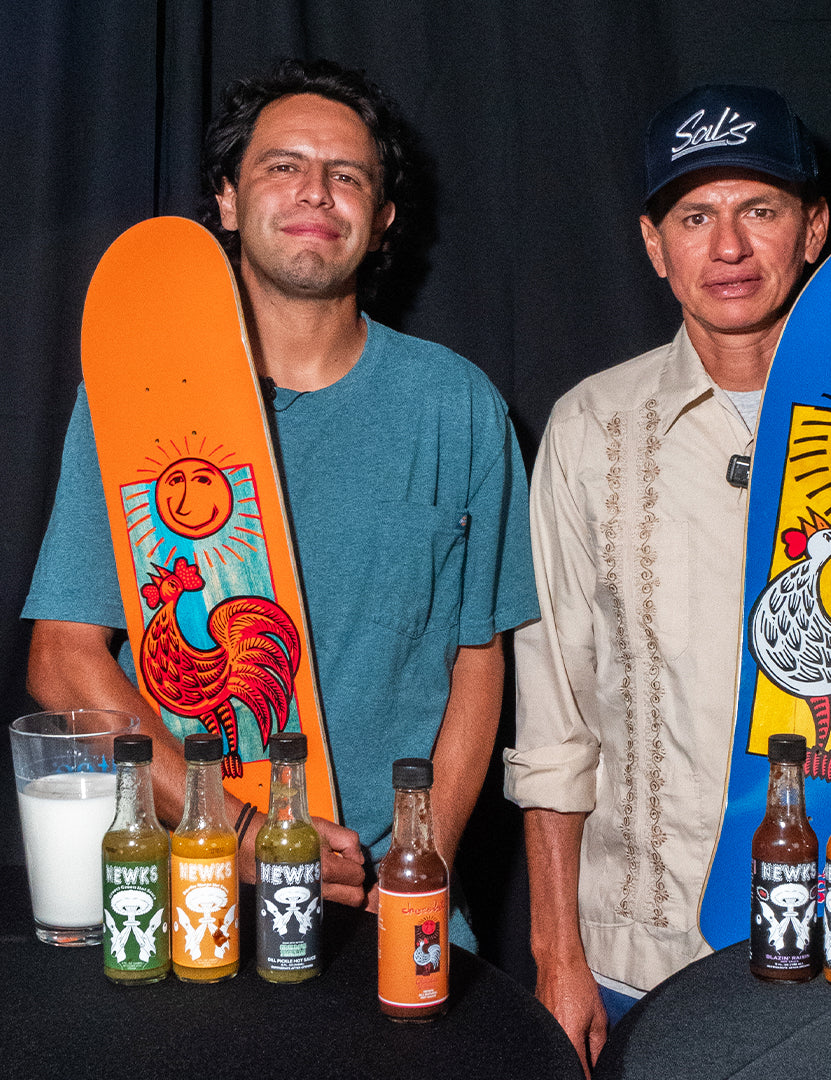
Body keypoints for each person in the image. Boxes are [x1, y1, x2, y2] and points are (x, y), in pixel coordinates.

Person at [505, 84, 831, 1070]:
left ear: (814, 228)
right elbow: (554, 720)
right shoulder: (590, 427)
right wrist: (556, 955)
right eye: (696, 217)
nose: (730, 248)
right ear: (655, 245)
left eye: (761, 210)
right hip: (637, 952)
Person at [24, 59, 538, 921]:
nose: (315, 191)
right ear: (227, 200)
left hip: (389, 898)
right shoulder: (134, 397)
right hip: (190, 889)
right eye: (282, 165)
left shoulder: (459, 405)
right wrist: (237, 825)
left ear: (381, 222)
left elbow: (477, 662)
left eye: (347, 176)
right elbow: (62, 659)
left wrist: (422, 864)